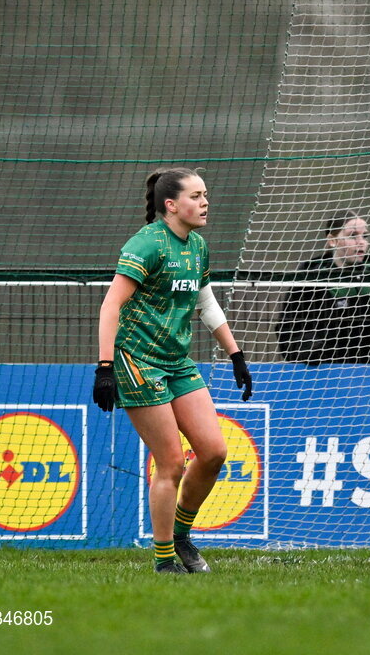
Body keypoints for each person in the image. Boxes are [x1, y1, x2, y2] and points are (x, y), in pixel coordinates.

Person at [92, 167, 253, 575]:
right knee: (171, 463)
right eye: (196, 196)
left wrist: (235, 355)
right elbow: (111, 306)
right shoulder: (146, 245)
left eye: (205, 195)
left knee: (214, 451)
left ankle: (181, 534)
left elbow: (206, 303)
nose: (205, 202)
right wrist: (105, 367)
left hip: (177, 361)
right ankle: (164, 560)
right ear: (171, 205)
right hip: (137, 360)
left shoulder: (198, 246)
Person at [277, 211, 370, 364]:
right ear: (332, 240)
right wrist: (314, 350)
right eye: (353, 235)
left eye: (365, 236)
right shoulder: (310, 279)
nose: (361, 242)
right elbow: (289, 333)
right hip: (326, 375)